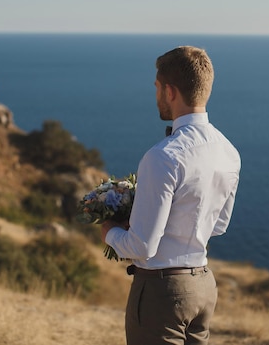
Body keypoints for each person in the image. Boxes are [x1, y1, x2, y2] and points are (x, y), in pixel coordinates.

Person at [101, 46, 241, 345]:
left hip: (162, 292)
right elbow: (219, 226)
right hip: (203, 285)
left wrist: (109, 231)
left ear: (170, 91)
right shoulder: (229, 152)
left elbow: (141, 246)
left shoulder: (163, 157)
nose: (156, 95)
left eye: (156, 88)